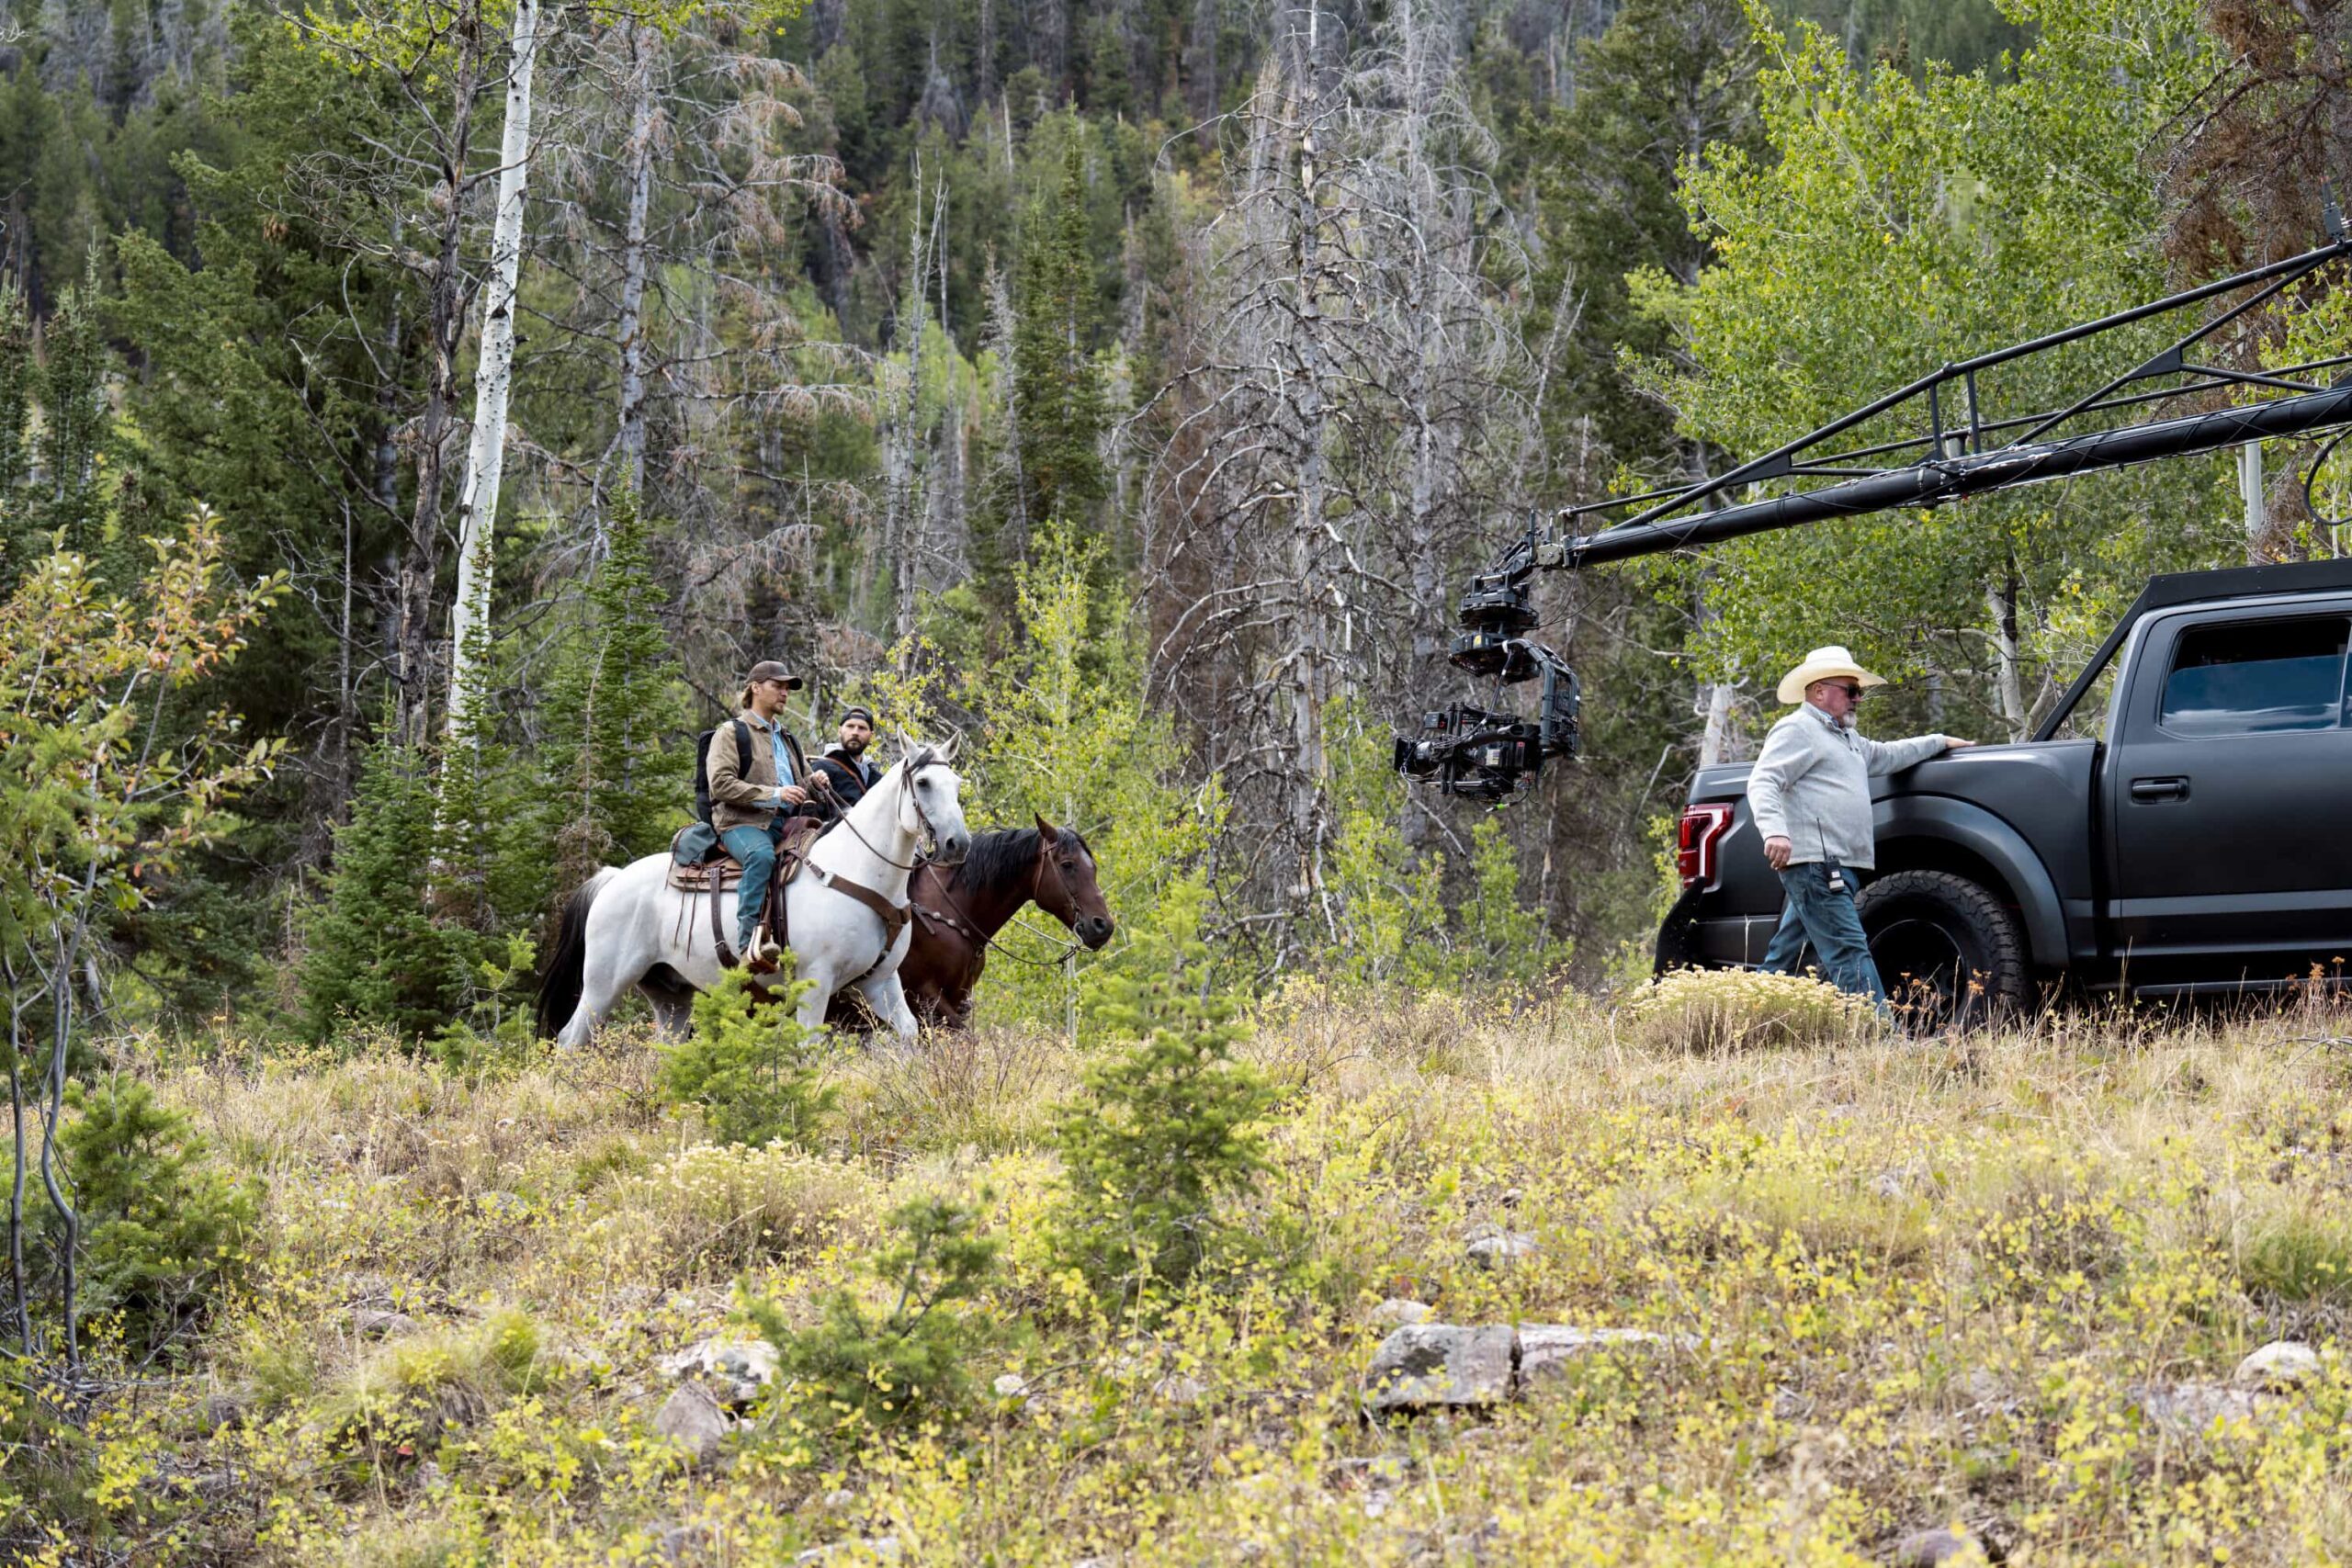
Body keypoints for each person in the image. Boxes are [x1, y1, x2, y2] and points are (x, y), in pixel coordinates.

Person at [1748, 645, 1973, 1009]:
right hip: (1818, 866)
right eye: (1851, 690)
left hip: (1833, 867)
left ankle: (1742, 1021)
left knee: (1786, 958)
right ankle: (1882, 1034)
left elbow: (1886, 755)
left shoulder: (1846, 738)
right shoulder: (1797, 729)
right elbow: (1763, 780)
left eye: (1859, 691)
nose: (1858, 699)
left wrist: (1939, 742)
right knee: (1849, 952)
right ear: (1819, 691)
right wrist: (1775, 831)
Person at [707, 660, 816, 958]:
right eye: (777, 686)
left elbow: (804, 781)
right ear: (755, 688)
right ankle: (749, 944)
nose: (784, 693)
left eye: (787, 688)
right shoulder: (731, 732)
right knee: (761, 856)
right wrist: (775, 794)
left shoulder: (787, 737)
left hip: (785, 823)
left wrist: (816, 782)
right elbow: (720, 784)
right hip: (741, 823)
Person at [811, 705, 883, 809]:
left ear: (871, 736)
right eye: (850, 726)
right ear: (839, 731)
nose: (855, 732)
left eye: (862, 728)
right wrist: (815, 788)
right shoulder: (822, 767)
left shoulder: (877, 779)